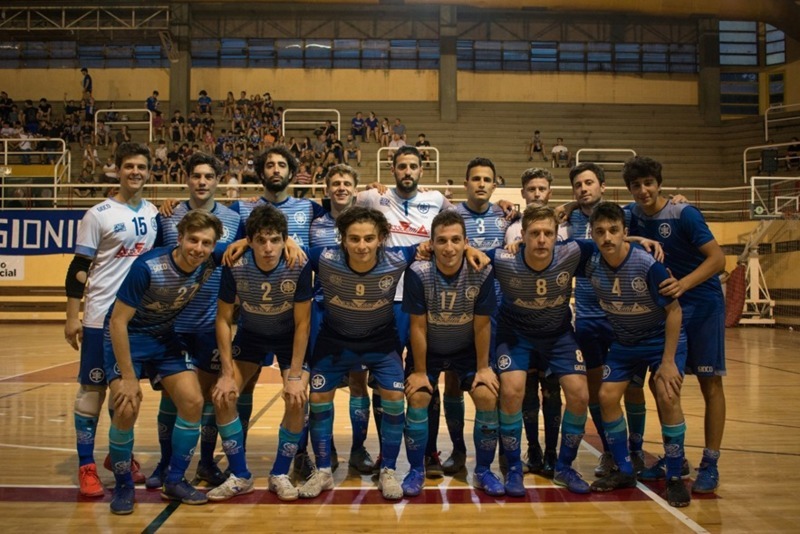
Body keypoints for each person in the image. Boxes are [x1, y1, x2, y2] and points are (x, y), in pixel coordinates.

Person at [104, 210, 223, 514]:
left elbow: (249, 243)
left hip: (163, 338)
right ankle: (123, 485)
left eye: (206, 243)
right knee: (127, 405)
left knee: (194, 401)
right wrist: (129, 378)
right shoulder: (147, 267)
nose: (198, 248)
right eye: (193, 240)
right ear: (180, 238)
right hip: (128, 336)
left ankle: (175, 479)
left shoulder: (211, 259)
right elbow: (117, 322)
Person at [298, 207, 418, 501]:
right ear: (343, 239)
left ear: (381, 239)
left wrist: (470, 251)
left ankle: (388, 469)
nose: (362, 246)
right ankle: (324, 470)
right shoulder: (324, 258)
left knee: (392, 397)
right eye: (354, 239)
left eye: (369, 239)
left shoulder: (398, 257)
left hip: (381, 342)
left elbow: (436, 245)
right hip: (335, 340)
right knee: (318, 398)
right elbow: (288, 248)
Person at [623, 156, 726, 495]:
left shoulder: (684, 214)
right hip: (667, 308)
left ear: (659, 183)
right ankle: (675, 458)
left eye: (648, 183)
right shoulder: (631, 216)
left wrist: (684, 283)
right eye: (636, 186)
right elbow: (605, 228)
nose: (643, 190)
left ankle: (710, 462)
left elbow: (718, 259)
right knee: (665, 382)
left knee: (710, 383)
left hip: (702, 305)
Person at [64, 143, 158, 498]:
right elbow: (78, 269)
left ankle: (118, 456)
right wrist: (73, 317)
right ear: (117, 170)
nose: (135, 172)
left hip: (137, 320)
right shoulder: (98, 214)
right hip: (100, 317)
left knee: (127, 393)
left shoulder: (153, 213)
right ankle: (86, 465)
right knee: (92, 393)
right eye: (129, 166)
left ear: (150, 173)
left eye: (142, 167)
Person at [145, 153, 244, 491]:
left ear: (217, 180)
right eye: (196, 175)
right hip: (171, 322)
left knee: (208, 397)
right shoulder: (169, 216)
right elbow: (158, 260)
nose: (202, 181)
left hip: (209, 322)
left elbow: (246, 249)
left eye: (208, 176)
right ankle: (165, 462)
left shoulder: (235, 217)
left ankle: (204, 461)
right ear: (186, 179)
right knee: (171, 399)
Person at [586, 201, 691, 508]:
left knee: (667, 394)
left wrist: (669, 362)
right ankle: (625, 469)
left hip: (660, 340)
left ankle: (674, 476)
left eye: (614, 231)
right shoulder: (590, 260)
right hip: (626, 341)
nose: (607, 237)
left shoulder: (647, 264)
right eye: (600, 231)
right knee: (606, 396)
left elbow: (674, 311)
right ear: (592, 234)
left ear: (625, 232)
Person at [211, 204, 314, 501]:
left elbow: (303, 323)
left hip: (287, 336)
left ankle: (280, 473)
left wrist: (295, 375)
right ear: (250, 240)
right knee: (223, 396)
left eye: (275, 240)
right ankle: (240, 475)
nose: (268, 248)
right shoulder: (236, 263)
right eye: (260, 240)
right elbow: (222, 319)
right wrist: (227, 374)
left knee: (296, 399)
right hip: (252, 334)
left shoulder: (298, 263)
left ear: (285, 240)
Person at [490, 205, 594, 496]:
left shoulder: (571, 252)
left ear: (556, 236)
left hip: (558, 335)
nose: (542, 239)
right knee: (511, 391)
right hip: (516, 335)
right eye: (534, 233)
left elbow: (611, 243)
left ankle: (564, 466)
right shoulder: (504, 259)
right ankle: (513, 467)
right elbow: (470, 258)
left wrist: (638, 241)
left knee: (580, 394)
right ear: (522, 235)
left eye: (548, 233)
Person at [401, 210, 503, 497]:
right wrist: (420, 371)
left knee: (486, 395)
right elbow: (417, 327)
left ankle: (483, 469)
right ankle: (416, 469)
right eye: (442, 241)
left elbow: (482, 325)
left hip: (466, 350)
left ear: (466, 242)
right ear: (431, 244)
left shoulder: (481, 270)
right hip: (430, 351)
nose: (449, 248)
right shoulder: (418, 272)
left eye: (456, 240)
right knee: (419, 396)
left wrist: (484, 368)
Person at [308, 165, 375, 476]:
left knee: (359, 383)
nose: (341, 188)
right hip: (322, 310)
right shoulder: (314, 221)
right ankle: (327, 448)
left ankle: (358, 449)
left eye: (347, 183)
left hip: (358, 310)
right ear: (327, 187)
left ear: (355, 188)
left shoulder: (366, 220)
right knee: (323, 385)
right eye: (335, 183)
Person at [502, 168, 563, 477]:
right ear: (523, 193)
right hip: (519, 323)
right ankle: (533, 448)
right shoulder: (511, 227)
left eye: (542, 188)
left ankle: (552, 450)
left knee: (552, 389)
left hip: (554, 324)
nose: (537, 193)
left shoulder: (564, 227)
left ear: (549, 192)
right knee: (525, 391)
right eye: (531, 189)